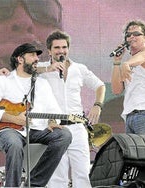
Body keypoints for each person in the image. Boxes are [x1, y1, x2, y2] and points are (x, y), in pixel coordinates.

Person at [0, 43, 72, 187]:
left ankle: (34, 184)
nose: (36, 59)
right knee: (14, 144)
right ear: (20, 59)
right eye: (32, 55)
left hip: (37, 130)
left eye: (37, 55)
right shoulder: (3, 81)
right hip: (9, 131)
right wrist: (14, 118)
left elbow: (54, 109)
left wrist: (52, 121)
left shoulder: (42, 84)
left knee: (64, 135)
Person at [38, 30, 106, 188]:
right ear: (49, 50)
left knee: (82, 173)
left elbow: (100, 85)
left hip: (77, 126)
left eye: (64, 47)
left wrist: (98, 105)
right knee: (57, 176)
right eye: (56, 48)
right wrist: (48, 69)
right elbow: (23, 71)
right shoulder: (42, 69)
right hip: (55, 128)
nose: (61, 51)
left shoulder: (79, 69)